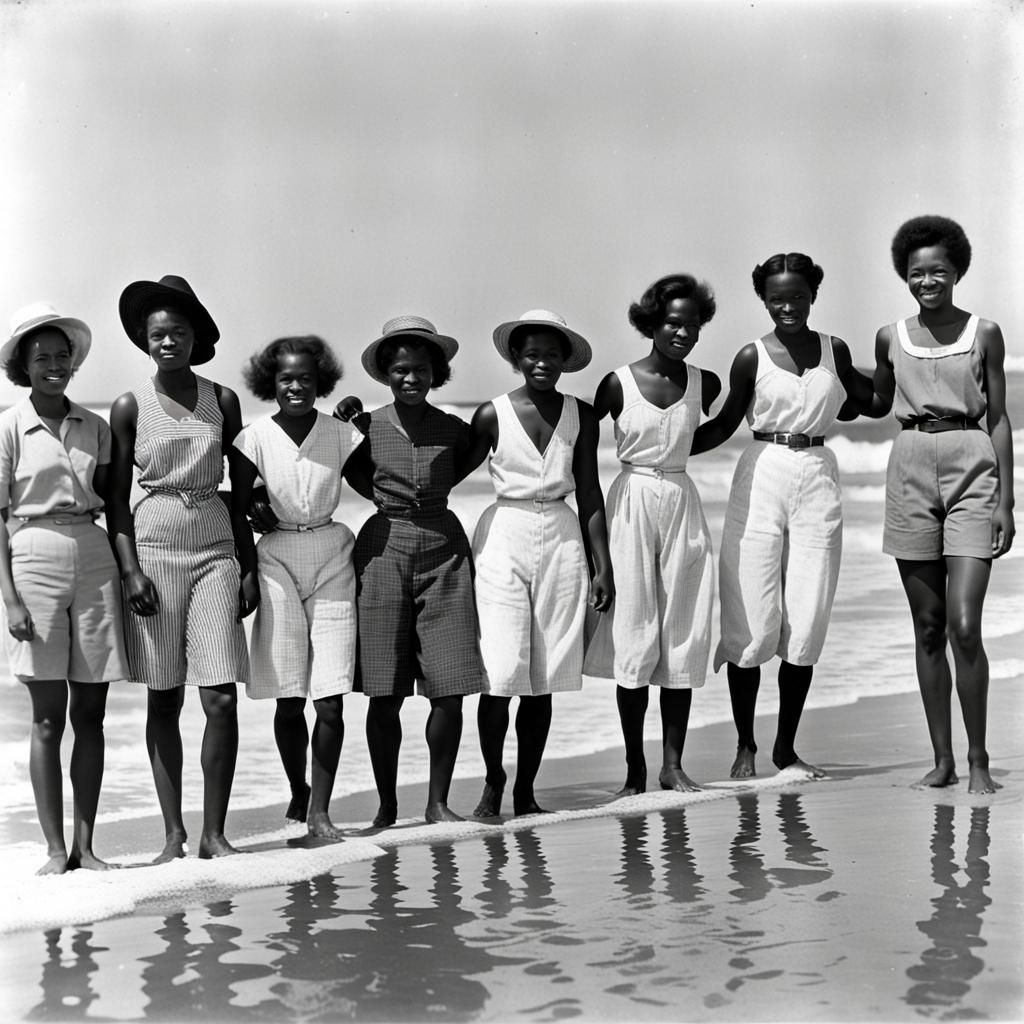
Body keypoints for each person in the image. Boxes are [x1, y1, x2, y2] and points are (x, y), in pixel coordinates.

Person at [691, 253, 864, 780]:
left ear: (814, 294)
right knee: (752, 617)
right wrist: (661, 453)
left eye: (796, 296)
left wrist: (903, 364)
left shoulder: (835, 350)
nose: (786, 306)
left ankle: (785, 749)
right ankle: (745, 746)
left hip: (818, 472)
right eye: (775, 298)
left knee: (807, 619)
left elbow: (867, 403)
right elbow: (722, 424)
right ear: (762, 300)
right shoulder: (750, 357)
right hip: (760, 472)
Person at [107, 275, 257, 861]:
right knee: (164, 697)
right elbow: (117, 497)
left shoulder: (222, 400)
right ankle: (172, 834)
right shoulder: (128, 405)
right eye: (158, 334)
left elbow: (241, 492)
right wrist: (129, 571)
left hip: (216, 545)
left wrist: (246, 564)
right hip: (154, 548)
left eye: (179, 332)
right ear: (145, 341)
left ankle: (215, 834)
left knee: (220, 696)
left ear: (197, 337)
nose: (168, 341)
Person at [863, 215, 1014, 794]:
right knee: (928, 627)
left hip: (973, 464)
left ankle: (979, 759)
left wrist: (1007, 499)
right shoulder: (889, 337)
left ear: (957, 272)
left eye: (938, 271)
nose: (927, 280)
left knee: (964, 625)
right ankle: (943, 760)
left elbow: (998, 418)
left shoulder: (986, 332)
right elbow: (876, 399)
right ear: (905, 275)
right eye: (916, 272)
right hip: (909, 467)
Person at [336, 315, 484, 826]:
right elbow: (349, 473)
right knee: (385, 687)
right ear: (385, 373)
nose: (410, 378)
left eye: (421, 369)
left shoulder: (455, 428)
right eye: (400, 369)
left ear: (436, 372)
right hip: (382, 550)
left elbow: (466, 462)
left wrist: (427, 507)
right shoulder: (365, 427)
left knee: (450, 684)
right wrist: (390, 507)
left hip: (445, 548)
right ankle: (387, 804)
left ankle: (438, 802)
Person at [466, 310, 613, 818]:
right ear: (515, 358)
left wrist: (603, 565)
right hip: (503, 535)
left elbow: (591, 491)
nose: (542, 363)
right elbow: (441, 471)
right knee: (501, 671)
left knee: (544, 674)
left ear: (566, 360)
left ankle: (526, 791)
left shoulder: (583, 415)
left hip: (562, 537)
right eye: (531, 354)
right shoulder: (492, 414)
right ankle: (492, 781)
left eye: (552, 354)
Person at [0, 303, 129, 875]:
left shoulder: (93, 425)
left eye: (61, 357)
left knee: (92, 715)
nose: (54, 366)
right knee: (48, 716)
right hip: (33, 557)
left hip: (95, 555)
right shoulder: (7, 426)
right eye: (41, 358)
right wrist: (9, 598)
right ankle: (55, 852)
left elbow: (117, 497)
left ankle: (86, 846)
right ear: (22, 366)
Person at [584, 276, 720, 795]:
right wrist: (597, 555)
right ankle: (634, 770)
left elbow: (709, 428)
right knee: (634, 636)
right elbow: (579, 447)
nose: (683, 332)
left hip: (682, 500)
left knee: (682, 634)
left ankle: (673, 764)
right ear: (650, 324)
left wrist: (680, 453)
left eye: (692, 324)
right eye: (672, 323)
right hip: (632, 501)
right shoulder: (617, 383)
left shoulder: (704, 382)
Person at [233, 335, 369, 838]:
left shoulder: (340, 434)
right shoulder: (253, 438)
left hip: (333, 553)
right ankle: (298, 790)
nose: (296, 386)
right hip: (275, 558)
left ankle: (321, 811)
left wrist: (359, 422)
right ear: (271, 383)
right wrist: (247, 570)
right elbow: (235, 502)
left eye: (306, 379)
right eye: (286, 378)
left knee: (330, 694)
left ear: (321, 382)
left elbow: (376, 481)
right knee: (289, 696)